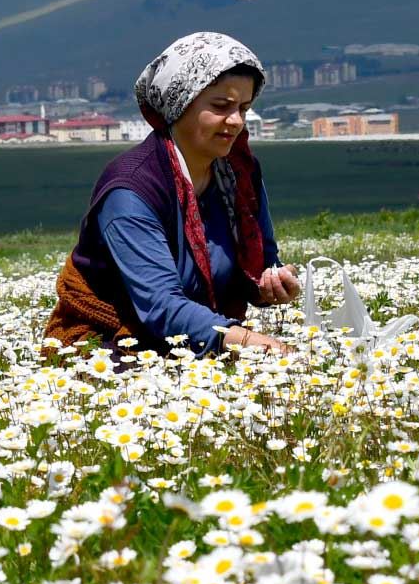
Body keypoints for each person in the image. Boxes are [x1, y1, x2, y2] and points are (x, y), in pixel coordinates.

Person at [45, 32, 302, 357]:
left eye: (244, 108)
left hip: (204, 338)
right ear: (179, 106)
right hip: (108, 342)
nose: (236, 121)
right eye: (221, 106)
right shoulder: (131, 189)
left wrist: (274, 281)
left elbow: (263, 259)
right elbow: (162, 307)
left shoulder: (241, 174)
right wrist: (254, 343)